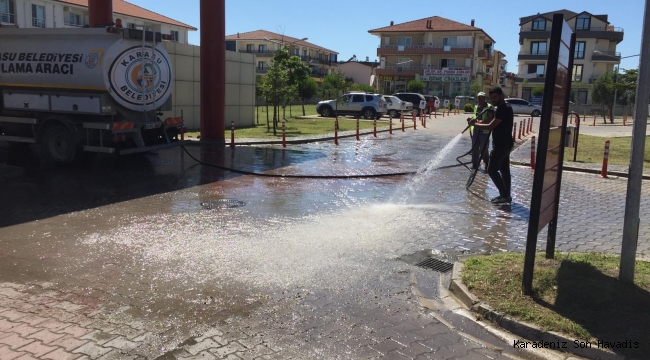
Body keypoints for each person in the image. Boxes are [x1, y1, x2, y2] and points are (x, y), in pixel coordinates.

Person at [468, 87, 514, 205]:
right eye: (491, 97)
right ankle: (506, 195)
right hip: (506, 143)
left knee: (492, 170)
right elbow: (490, 122)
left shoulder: (502, 108)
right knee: (504, 170)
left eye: (495, 97)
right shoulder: (505, 107)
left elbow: (490, 126)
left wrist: (475, 124)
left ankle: (504, 194)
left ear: (501, 96)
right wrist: (477, 122)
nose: (493, 100)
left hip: (501, 145)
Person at [467, 92, 493, 170]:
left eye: (482, 98)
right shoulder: (476, 106)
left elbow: (490, 120)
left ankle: (486, 162)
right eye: (479, 98)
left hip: (484, 132)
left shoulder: (489, 107)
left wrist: (478, 122)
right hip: (476, 131)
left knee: (483, 148)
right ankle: (475, 164)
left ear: (484, 98)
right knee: (474, 148)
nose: (480, 99)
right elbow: (476, 116)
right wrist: (471, 119)